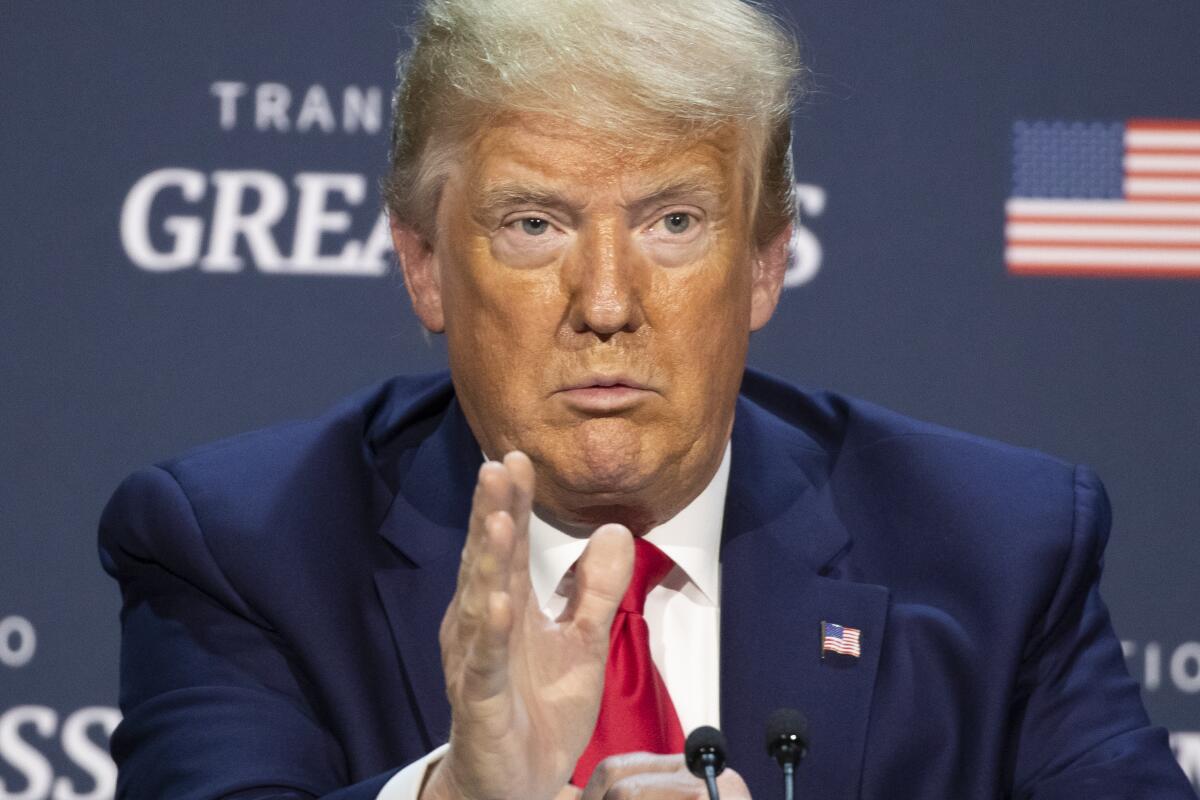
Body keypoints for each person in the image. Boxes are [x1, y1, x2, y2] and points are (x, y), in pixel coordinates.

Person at [98, 0, 1195, 798]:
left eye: (674, 221)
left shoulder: (997, 551)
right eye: (536, 223)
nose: (608, 302)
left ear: (765, 263)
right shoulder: (243, 550)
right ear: (425, 263)